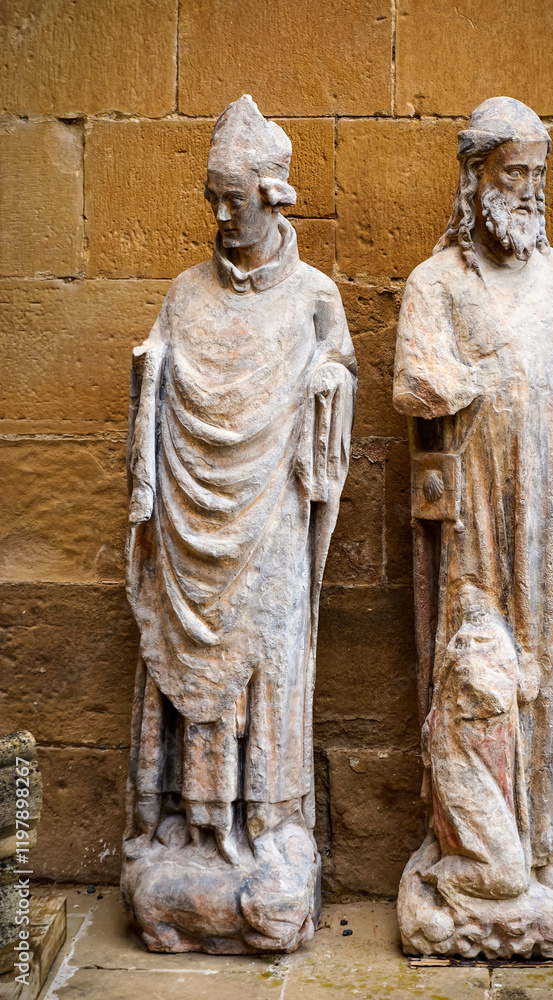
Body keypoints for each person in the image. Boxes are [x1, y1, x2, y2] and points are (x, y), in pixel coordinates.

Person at [394, 97, 553, 956]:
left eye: (538, 176)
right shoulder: (439, 284)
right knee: (489, 678)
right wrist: (469, 385)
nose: (528, 193)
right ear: (476, 180)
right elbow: (415, 379)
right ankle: (490, 849)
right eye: (512, 175)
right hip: (484, 516)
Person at [122, 95, 356, 953]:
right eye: (211, 196)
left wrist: (328, 389)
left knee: (271, 665)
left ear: (273, 193)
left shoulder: (314, 297)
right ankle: (186, 824)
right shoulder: (184, 294)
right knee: (186, 663)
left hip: (273, 518)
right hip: (192, 529)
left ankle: (267, 824)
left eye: (235, 197)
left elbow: (340, 373)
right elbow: (160, 369)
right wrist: (150, 380)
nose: (221, 213)